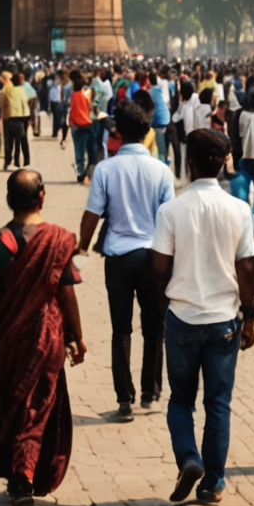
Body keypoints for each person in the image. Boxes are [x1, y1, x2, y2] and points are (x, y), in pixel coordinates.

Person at [149, 129, 254, 506]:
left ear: (189, 160)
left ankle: (188, 458)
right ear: (225, 161)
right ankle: (212, 482)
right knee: (218, 404)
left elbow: (159, 267)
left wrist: (164, 305)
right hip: (224, 319)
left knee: (180, 399)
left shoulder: (172, 210)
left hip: (182, 316)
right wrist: (252, 316)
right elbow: (246, 270)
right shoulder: (240, 209)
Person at [0, 169, 84, 506]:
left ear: (9, 199)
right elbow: (67, 295)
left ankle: (18, 474)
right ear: (42, 196)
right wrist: (78, 337)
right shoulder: (60, 239)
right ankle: (23, 476)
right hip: (47, 336)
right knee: (37, 406)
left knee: (12, 401)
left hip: (7, 334)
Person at [79, 101, 176, 422]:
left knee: (121, 329)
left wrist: (80, 246)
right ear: (147, 130)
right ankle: (151, 391)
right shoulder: (162, 170)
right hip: (154, 259)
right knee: (155, 327)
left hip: (118, 258)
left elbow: (92, 215)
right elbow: (169, 219)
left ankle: (124, 398)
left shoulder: (106, 169)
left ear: (118, 131)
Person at [2, 72, 36, 170]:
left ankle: (7, 162)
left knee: (8, 142)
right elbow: (27, 102)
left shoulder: (8, 91)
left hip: (9, 118)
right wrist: (29, 118)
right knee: (22, 141)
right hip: (21, 118)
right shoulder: (23, 90)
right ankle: (26, 161)